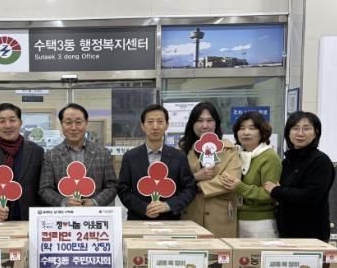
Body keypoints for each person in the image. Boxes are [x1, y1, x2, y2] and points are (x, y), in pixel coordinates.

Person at [264, 111, 335, 241]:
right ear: (288, 132)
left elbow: (310, 196)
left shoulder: (320, 161)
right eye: (295, 128)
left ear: (316, 132)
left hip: (311, 234)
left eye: (306, 128)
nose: (300, 133)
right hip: (286, 231)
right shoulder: (287, 161)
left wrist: (276, 190)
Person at [118, 104, 196, 219]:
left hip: (170, 220)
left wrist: (168, 205)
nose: (155, 127)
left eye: (160, 121)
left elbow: (190, 188)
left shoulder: (179, 157)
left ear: (167, 125)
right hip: (138, 219)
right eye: (150, 122)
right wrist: (143, 208)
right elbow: (123, 189)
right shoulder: (130, 157)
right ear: (143, 126)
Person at [0, 103, 44, 220]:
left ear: (20, 123)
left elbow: (43, 186)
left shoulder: (36, 151)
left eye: (12, 120)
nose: (8, 125)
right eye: (2, 121)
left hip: (28, 218)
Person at [179, 101, 241, 237]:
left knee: (220, 249)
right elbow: (175, 181)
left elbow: (230, 180)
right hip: (190, 214)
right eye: (199, 120)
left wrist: (196, 186)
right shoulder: (182, 150)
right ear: (192, 124)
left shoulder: (229, 150)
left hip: (221, 217)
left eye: (209, 120)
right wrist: (195, 177)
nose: (205, 125)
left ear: (216, 123)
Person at [39, 103, 117, 207]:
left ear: (86, 123)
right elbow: (45, 189)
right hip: (63, 215)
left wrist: (94, 202)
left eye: (78, 122)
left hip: (94, 214)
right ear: (62, 124)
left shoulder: (103, 153)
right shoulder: (51, 156)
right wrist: (64, 202)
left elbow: (112, 186)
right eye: (68, 122)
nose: (73, 127)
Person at [220, 111, 282, 237]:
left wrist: (240, 187)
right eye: (241, 128)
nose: (246, 132)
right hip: (235, 218)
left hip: (260, 222)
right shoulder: (237, 155)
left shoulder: (269, 156)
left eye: (252, 128)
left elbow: (269, 194)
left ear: (262, 132)